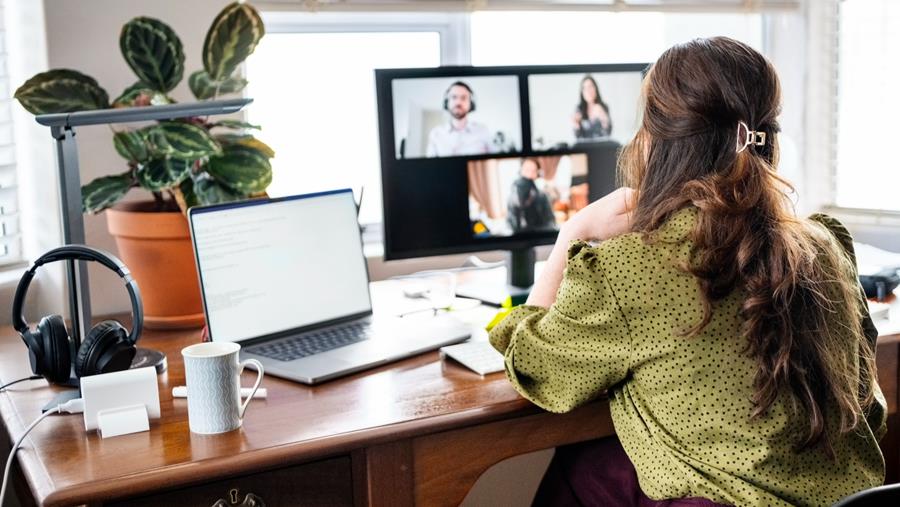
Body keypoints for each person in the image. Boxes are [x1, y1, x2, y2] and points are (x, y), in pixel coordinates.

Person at [489, 37, 886, 507]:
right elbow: (870, 408)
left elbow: (536, 368)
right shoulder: (825, 244)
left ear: (655, 141)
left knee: (579, 473)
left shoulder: (629, 265)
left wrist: (570, 235)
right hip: (851, 499)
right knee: (600, 461)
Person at [426, 81, 494, 157]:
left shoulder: (483, 130)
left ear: (471, 103)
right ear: (447, 102)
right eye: (454, 97)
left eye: (463, 98)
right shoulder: (435, 133)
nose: (458, 102)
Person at [507, 158, 557, 234]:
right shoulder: (513, 194)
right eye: (527, 170)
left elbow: (551, 223)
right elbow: (511, 225)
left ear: (537, 174)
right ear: (520, 171)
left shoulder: (543, 196)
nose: (529, 174)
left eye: (533, 171)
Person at [572, 75, 612, 141]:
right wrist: (576, 124)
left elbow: (608, 133)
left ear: (595, 88)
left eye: (590, 87)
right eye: (584, 88)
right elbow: (578, 137)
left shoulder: (604, 107)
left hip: (601, 146)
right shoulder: (579, 109)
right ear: (582, 92)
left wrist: (603, 116)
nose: (588, 91)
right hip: (584, 148)